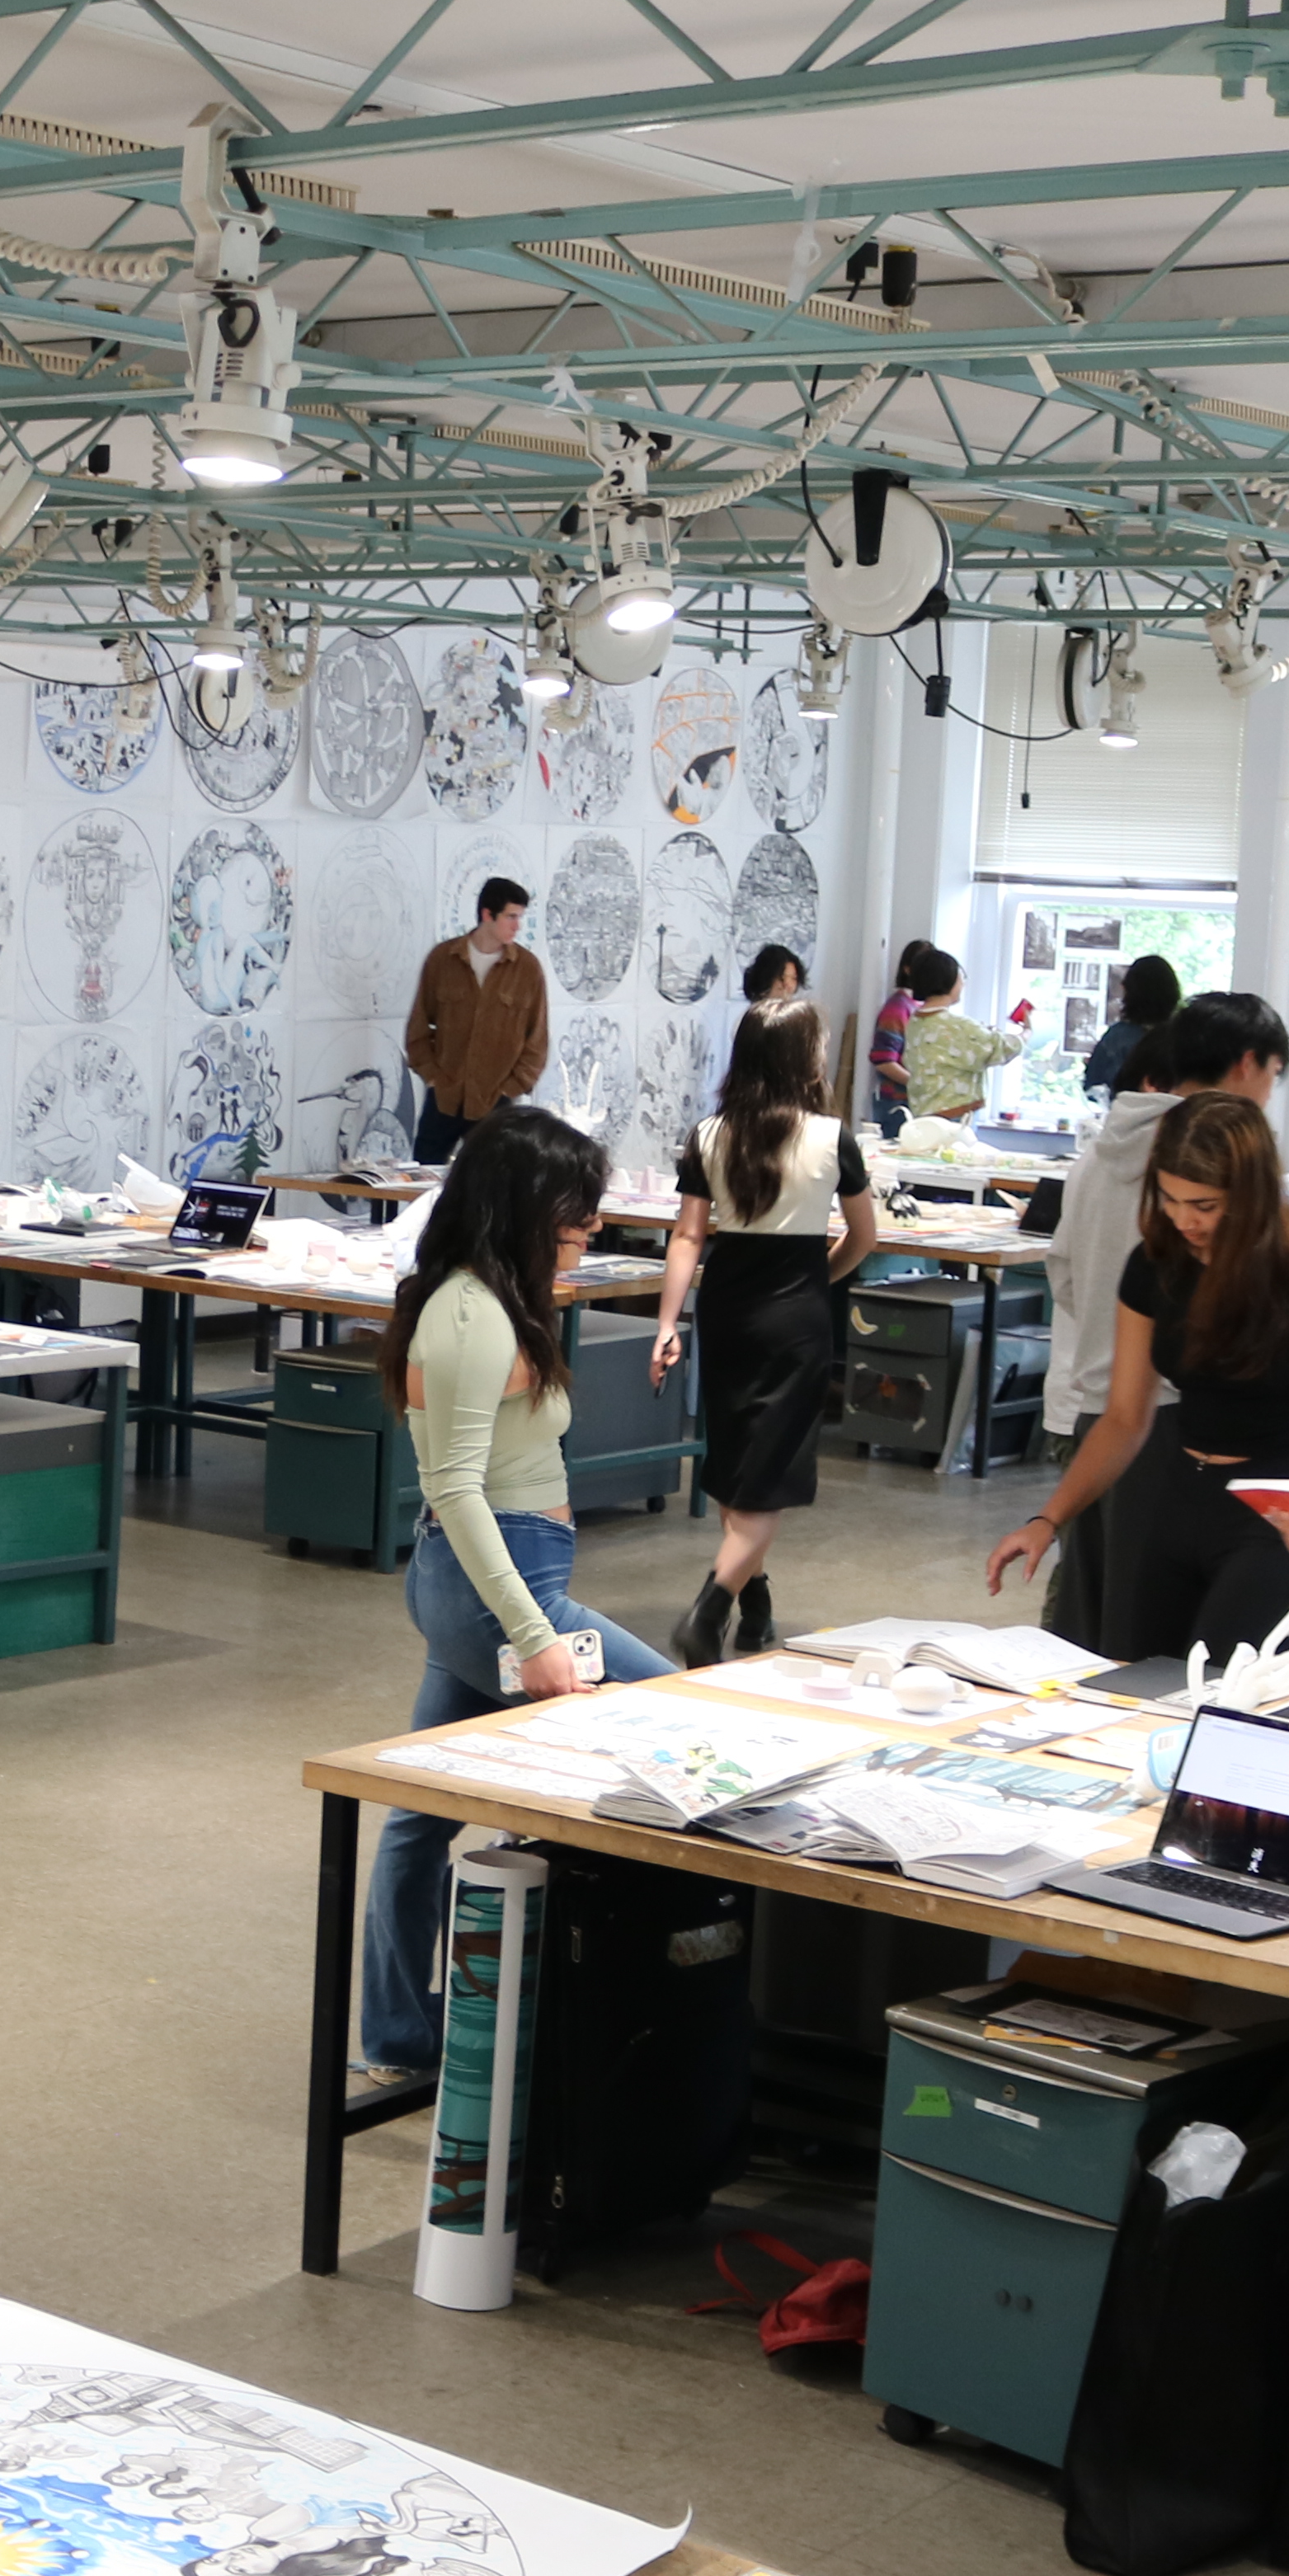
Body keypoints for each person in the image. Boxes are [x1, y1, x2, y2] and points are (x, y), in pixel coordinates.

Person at [355, 1106, 675, 2084]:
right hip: (495, 1591)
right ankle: (598, 2007)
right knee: (675, 1710)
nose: (586, 1231)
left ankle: (400, 2037)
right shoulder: (467, 1315)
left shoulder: (494, 1299)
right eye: (573, 1214)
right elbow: (452, 1491)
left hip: (491, 1584)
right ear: (523, 1205)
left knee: (421, 1815)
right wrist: (534, 1633)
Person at [987, 1092, 1289, 1657]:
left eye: (1204, 1204)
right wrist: (1048, 1518)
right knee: (1136, 1688)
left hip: (1274, 1512)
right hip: (1173, 1495)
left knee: (1228, 1698)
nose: (1183, 1220)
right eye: (1169, 1199)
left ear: (1251, 1196)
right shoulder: (1156, 1265)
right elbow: (1124, 1419)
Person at [1033, 993, 1288, 1648]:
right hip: (1170, 1416)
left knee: (1090, 1621)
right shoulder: (1217, 1160)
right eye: (1273, 1074)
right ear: (1247, 1064)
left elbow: (1060, 1272)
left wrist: (1104, 1332)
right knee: (1152, 1642)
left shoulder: (1098, 1150)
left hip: (1091, 1402)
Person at [647, 999, 874, 1666]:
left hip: (725, 1307)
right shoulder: (833, 1139)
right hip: (796, 1315)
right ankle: (709, 1610)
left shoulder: (710, 1134)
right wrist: (816, 1282)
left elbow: (688, 1236)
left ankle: (757, 1603)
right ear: (807, 1058)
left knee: (738, 1462)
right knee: (766, 1478)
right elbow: (865, 1238)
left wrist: (667, 1322)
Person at [399, 878, 547, 1160]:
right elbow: (418, 1026)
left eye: (520, 917)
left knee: (492, 1187)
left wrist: (511, 1088)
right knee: (421, 1179)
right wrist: (432, 1077)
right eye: (511, 917)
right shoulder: (443, 960)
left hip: (496, 1101)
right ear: (487, 915)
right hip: (444, 1097)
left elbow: (537, 1039)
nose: (517, 926)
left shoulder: (527, 970)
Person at [1085, 952, 1183, 1103]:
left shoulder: (1118, 1037)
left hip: (1127, 1119)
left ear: (1129, 991)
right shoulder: (1186, 1037)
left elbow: (1093, 1087)